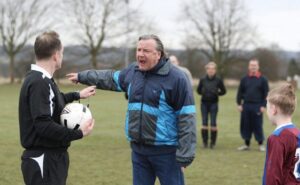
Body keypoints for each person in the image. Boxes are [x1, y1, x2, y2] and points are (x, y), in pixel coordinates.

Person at [67, 34, 197, 185]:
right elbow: (109, 77)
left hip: (167, 152)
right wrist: (82, 76)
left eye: (146, 51)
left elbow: (187, 117)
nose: (140, 54)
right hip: (139, 151)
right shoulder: (132, 72)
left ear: (158, 54)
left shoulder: (177, 78)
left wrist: (185, 154)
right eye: (139, 49)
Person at [19, 31, 96, 185]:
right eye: (62, 52)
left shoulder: (42, 79)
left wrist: (77, 94)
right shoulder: (39, 82)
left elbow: (53, 101)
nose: (62, 56)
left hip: (52, 157)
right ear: (55, 55)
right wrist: (79, 133)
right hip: (44, 158)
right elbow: (43, 125)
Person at [262, 83, 300, 185]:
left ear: (274, 109)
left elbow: (273, 176)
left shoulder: (277, 138)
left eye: (267, 107)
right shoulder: (297, 133)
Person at [237, 59, 269, 151]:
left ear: (258, 67)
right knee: (246, 125)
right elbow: (240, 92)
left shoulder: (263, 79)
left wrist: (263, 105)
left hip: (258, 106)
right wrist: (239, 104)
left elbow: (266, 94)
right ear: (249, 67)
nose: (253, 67)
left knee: (257, 125)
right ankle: (246, 145)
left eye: (255, 65)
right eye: (251, 65)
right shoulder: (244, 79)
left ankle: (260, 144)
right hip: (246, 105)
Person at [197, 62, 226, 148]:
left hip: (214, 103)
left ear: (215, 70)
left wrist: (217, 93)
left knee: (213, 123)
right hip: (204, 104)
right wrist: (204, 92)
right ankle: (205, 143)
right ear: (206, 70)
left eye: (213, 69)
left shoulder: (218, 80)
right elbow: (198, 91)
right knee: (204, 123)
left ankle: (212, 143)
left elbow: (224, 91)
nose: (211, 70)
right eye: (209, 69)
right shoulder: (202, 80)